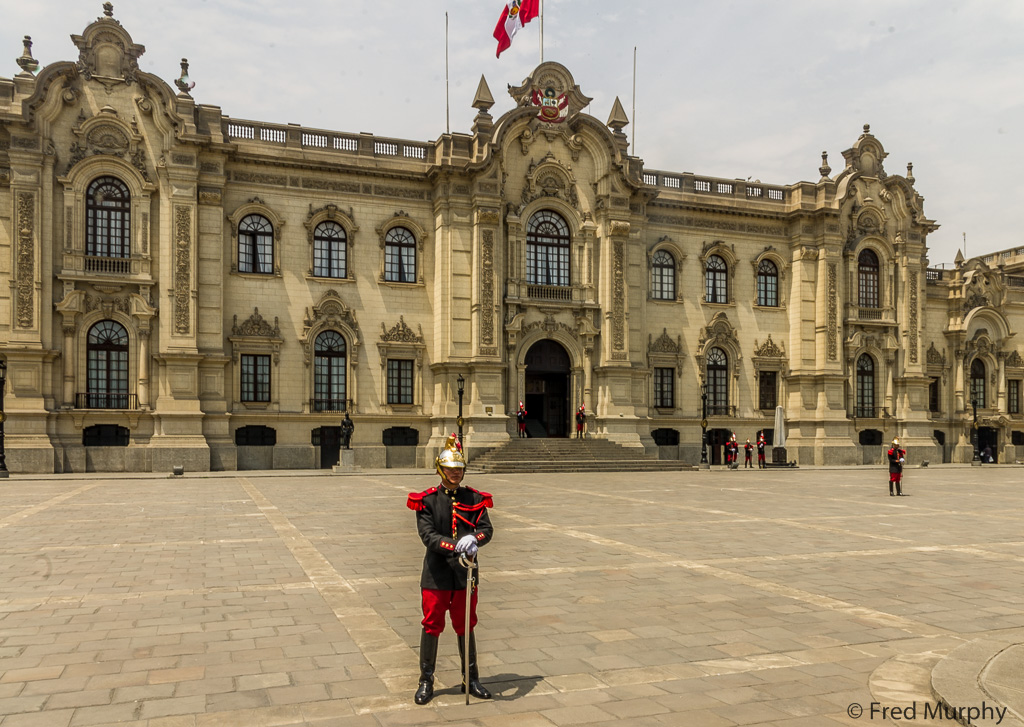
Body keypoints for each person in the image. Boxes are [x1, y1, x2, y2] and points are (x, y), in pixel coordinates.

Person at [407, 434, 494, 704]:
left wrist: (475, 539)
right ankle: (426, 680)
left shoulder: (474, 497)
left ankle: (472, 678)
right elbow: (428, 536)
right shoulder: (427, 500)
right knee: (432, 625)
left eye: (459, 469)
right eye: (450, 469)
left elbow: (486, 529)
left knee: (465, 625)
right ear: (440, 470)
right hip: (436, 575)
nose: (455, 473)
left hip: (465, 574)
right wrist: (455, 545)